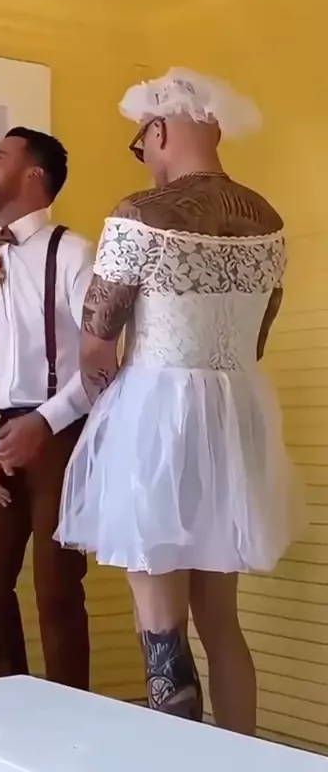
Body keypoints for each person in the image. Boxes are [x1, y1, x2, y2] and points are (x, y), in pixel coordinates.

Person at [55, 69, 304, 733]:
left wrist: (113, 417)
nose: (145, 155)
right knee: (221, 621)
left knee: (160, 623)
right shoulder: (269, 223)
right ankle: (244, 758)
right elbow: (256, 339)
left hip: (155, 419)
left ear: (159, 130)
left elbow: (97, 344)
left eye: (142, 141)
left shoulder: (138, 215)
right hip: (235, 421)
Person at [0, 127, 92, 688]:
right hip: (0, 438)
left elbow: (102, 364)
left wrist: (46, 421)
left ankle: (71, 718)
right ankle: (5, 705)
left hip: (64, 434)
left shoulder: (76, 252)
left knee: (57, 588)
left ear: (34, 174)